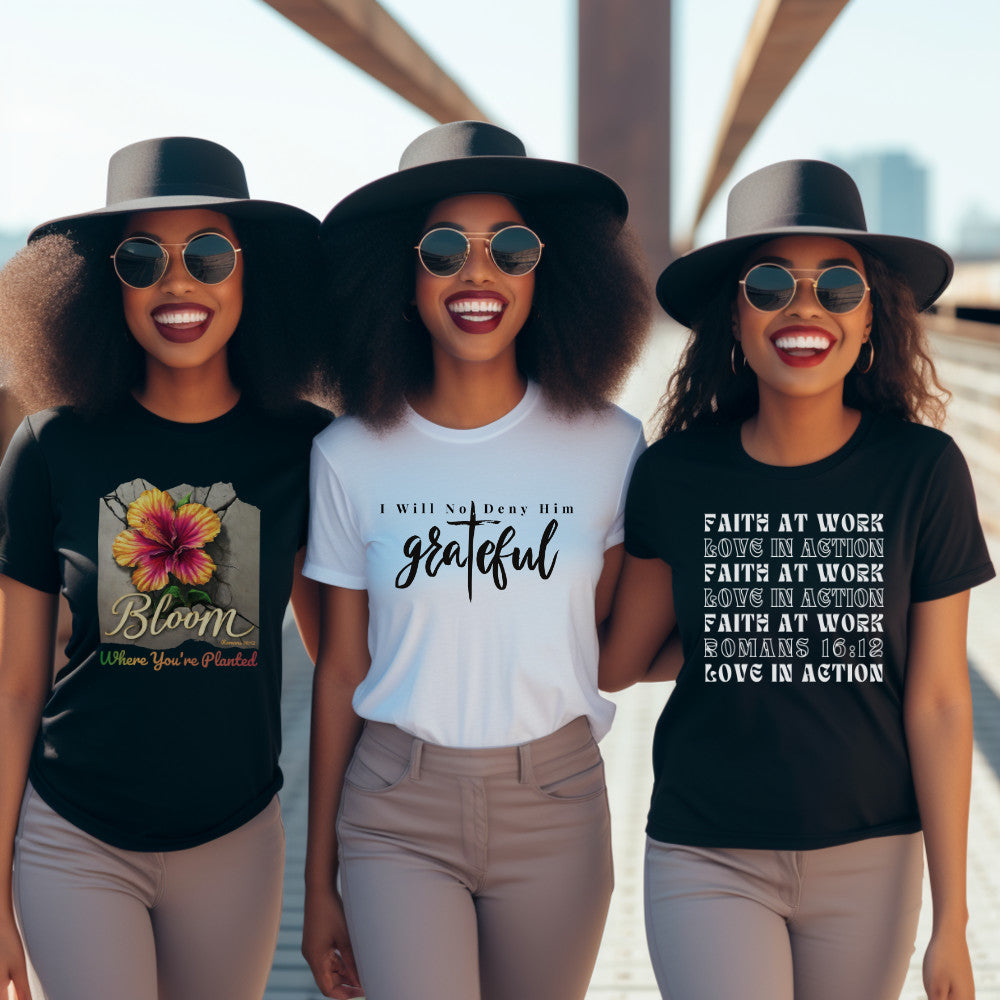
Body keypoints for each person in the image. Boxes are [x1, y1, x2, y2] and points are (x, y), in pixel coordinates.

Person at [599, 158, 995, 1000]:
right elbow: (617, 662)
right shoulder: (676, 474)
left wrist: (953, 920)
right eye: (771, 283)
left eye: (837, 288)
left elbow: (939, 700)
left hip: (875, 860)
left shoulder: (924, 471)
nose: (805, 306)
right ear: (735, 324)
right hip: (707, 854)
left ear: (870, 325)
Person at [300, 120, 651, 1000]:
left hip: (558, 802)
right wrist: (316, 882)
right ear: (402, 276)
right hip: (395, 808)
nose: (478, 272)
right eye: (445, 248)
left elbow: (602, 633)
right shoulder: (349, 454)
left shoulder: (611, 446)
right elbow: (342, 667)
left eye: (513, 247)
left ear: (550, 271)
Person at [0, 136, 330, 1000]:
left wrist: (343, 868)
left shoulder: (301, 446)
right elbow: (15, 688)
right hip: (74, 837)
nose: (178, 282)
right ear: (106, 286)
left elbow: (341, 662)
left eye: (208, 255)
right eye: (143, 259)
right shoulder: (50, 447)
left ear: (249, 277)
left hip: (238, 838)